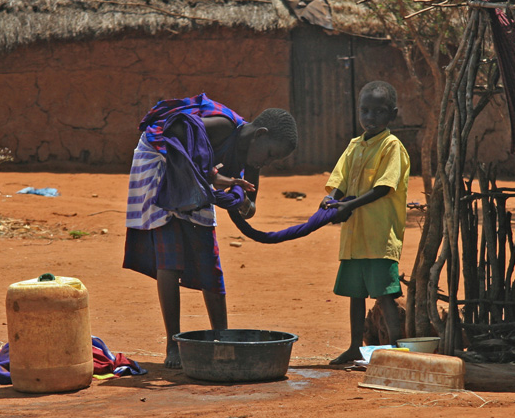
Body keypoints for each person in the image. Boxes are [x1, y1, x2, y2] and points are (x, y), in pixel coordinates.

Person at [123, 94, 298, 368]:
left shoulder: (249, 153)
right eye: (271, 154)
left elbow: (249, 197)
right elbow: (177, 136)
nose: (268, 162)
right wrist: (215, 178)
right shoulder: (222, 126)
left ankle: (223, 339)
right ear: (259, 135)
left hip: (194, 178)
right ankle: (173, 343)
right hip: (161, 163)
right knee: (170, 258)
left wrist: (245, 204)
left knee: (208, 256)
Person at [320, 81, 410, 365]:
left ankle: (395, 348)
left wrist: (347, 205)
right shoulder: (354, 146)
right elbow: (339, 180)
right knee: (355, 294)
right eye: (365, 110)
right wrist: (331, 200)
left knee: (385, 294)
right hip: (355, 237)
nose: (370, 117)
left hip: (379, 235)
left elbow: (384, 187)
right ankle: (354, 347)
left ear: (392, 114)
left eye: (378, 111)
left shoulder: (391, 146)